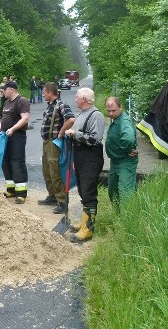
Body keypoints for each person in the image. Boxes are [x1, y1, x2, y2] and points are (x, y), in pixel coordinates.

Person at [65, 87, 106, 243]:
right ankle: (84, 222)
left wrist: (75, 134)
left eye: (77, 96)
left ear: (84, 99)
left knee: (88, 192)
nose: (75, 99)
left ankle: (88, 229)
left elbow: (95, 139)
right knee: (82, 191)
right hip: (80, 156)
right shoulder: (82, 114)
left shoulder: (96, 115)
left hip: (91, 157)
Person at [38, 82, 75, 215]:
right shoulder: (50, 106)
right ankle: (52, 196)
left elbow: (70, 119)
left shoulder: (61, 104)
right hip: (46, 142)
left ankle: (62, 202)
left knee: (55, 171)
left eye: (44, 92)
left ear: (50, 93)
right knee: (46, 169)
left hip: (54, 143)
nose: (43, 94)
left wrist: (61, 133)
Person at [0, 80, 30, 203]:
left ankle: (21, 193)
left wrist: (13, 129)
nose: (2, 92)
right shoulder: (6, 103)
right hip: (5, 136)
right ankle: (11, 189)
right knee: (5, 161)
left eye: (4, 90)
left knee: (17, 162)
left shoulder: (21, 101)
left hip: (16, 136)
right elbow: (4, 119)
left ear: (11, 89)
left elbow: (25, 118)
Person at [105, 96, 139, 211]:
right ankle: (118, 219)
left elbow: (129, 138)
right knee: (113, 193)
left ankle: (127, 224)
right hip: (115, 162)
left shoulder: (124, 121)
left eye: (113, 110)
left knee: (125, 194)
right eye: (108, 111)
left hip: (125, 162)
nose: (111, 114)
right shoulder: (116, 120)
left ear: (120, 107)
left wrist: (126, 151)